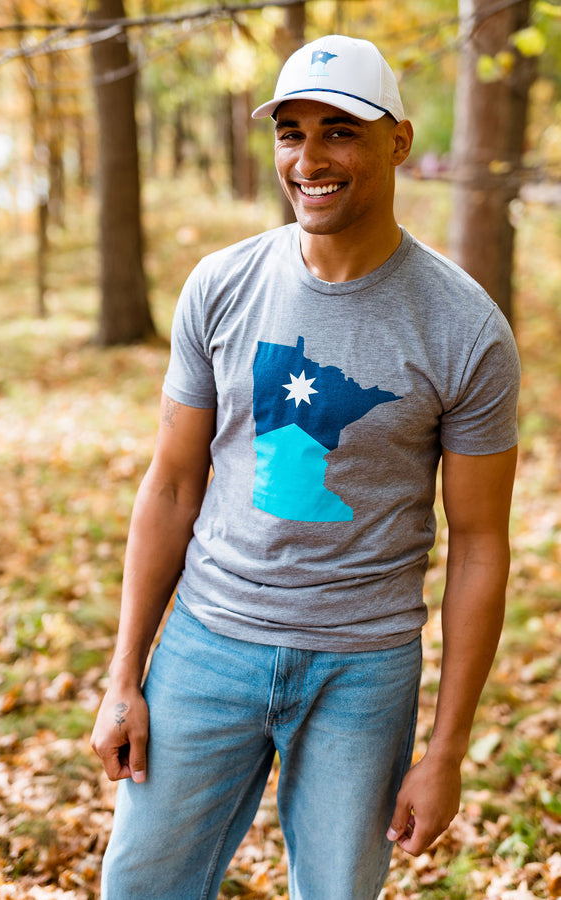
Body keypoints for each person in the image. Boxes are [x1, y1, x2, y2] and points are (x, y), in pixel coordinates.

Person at [91, 34, 520, 900]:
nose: (309, 158)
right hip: (208, 645)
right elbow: (172, 484)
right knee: (140, 887)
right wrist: (122, 675)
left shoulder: (466, 329)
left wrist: (445, 752)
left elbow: (479, 545)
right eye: (291, 132)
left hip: (362, 669)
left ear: (398, 142)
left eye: (340, 132)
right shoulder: (220, 286)